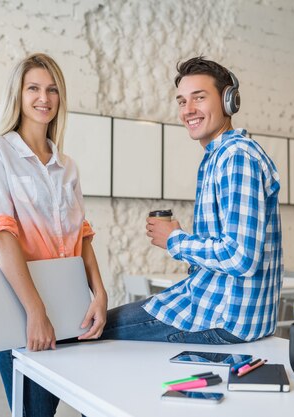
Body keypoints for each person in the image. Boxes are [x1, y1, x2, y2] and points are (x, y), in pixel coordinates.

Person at [101, 56, 282, 344]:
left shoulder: (236, 157)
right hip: (212, 305)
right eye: (182, 101)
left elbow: (241, 257)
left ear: (228, 101)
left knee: (89, 330)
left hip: (222, 317)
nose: (189, 110)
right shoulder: (219, 157)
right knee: (93, 325)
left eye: (199, 98)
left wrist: (175, 240)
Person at [0, 53, 107, 417]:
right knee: (34, 413)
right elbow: (1, 236)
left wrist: (100, 292)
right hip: (22, 306)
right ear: (18, 93)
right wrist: (35, 311)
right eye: (34, 88)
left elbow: (83, 237)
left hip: (69, 306)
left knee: (82, 403)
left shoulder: (67, 166)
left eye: (52, 90)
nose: (43, 98)